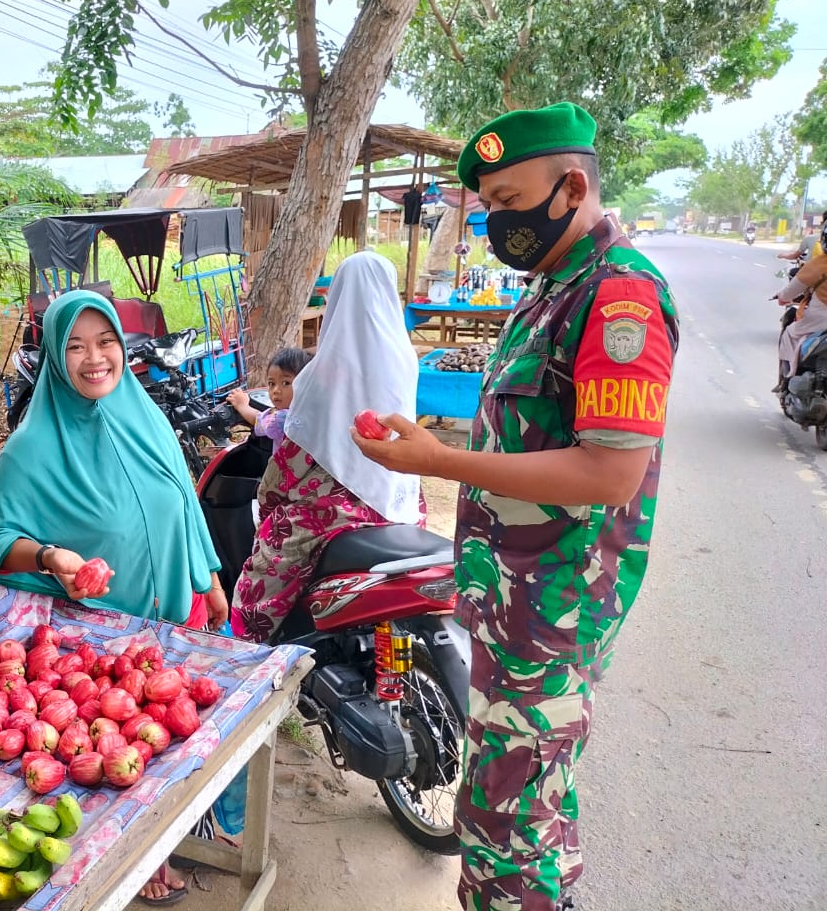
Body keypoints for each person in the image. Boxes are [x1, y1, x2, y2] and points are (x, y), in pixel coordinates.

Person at [351, 102, 679, 911]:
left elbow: (610, 474)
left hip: (554, 606)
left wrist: (437, 460)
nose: (497, 220)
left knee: (506, 823)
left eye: (508, 199)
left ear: (571, 187)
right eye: (489, 205)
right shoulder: (552, 288)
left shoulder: (620, 295)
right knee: (525, 798)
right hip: (515, 599)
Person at [0, 290, 227, 905]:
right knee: (122, 751)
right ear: (55, 360)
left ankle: (188, 828)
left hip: (179, 610)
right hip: (104, 642)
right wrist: (53, 559)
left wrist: (211, 577)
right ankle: (137, 858)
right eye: (75, 346)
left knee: (183, 739)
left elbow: (183, 503)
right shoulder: (32, 449)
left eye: (106, 342)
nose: (95, 359)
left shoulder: (146, 416)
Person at [231, 251, 424, 643]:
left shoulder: (321, 372)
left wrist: (268, 499)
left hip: (330, 510)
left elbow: (294, 456)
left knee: (263, 571)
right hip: (399, 504)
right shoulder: (406, 358)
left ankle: (249, 649)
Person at [225, 346, 312, 449]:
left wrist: (242, 405)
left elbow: (258, 420)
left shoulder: (285, 418)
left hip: (283, 465)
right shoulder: (312, 411)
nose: (276, 390)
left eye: (285, 383)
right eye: (272, 383)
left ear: (305, 384)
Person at [774, 253, 827, 392]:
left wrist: (782, 297)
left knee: (789, 333)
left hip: (819, 320)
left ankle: (787, 379)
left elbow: (789, 292)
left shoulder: (820, 264)